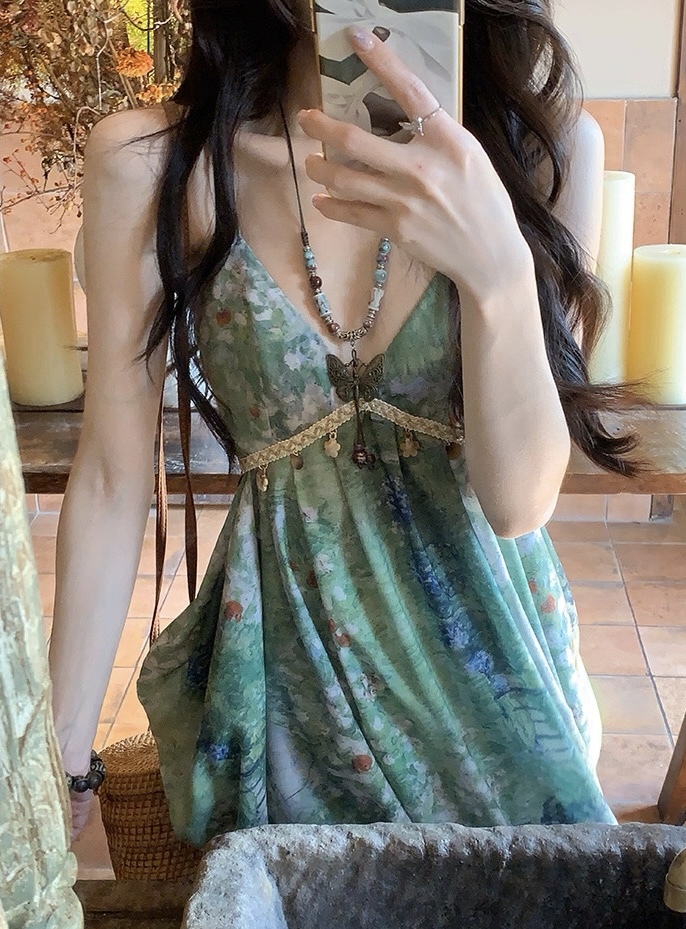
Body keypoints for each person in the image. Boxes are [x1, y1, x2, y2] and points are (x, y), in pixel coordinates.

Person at [49, 0, 641, 844]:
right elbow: (112, 480)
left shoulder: (544, 152)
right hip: (287, 703)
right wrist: (63, 757)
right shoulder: (156, 163)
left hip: (505, 710)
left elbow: (519, 503)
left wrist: (501, 274)